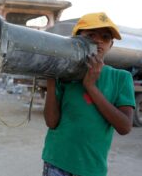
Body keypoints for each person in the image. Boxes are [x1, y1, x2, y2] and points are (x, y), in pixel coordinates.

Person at [42, 12, 136, 176]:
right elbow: (51, 122)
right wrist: (51, 80)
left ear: (111, 45)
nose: (99, 40)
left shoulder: (121, 78)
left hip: (91, 168)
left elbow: (125, 127)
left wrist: (91, 86)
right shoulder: (65, 75)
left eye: (105, 37)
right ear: (76, 39)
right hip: (56, 162)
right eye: (91, 35)